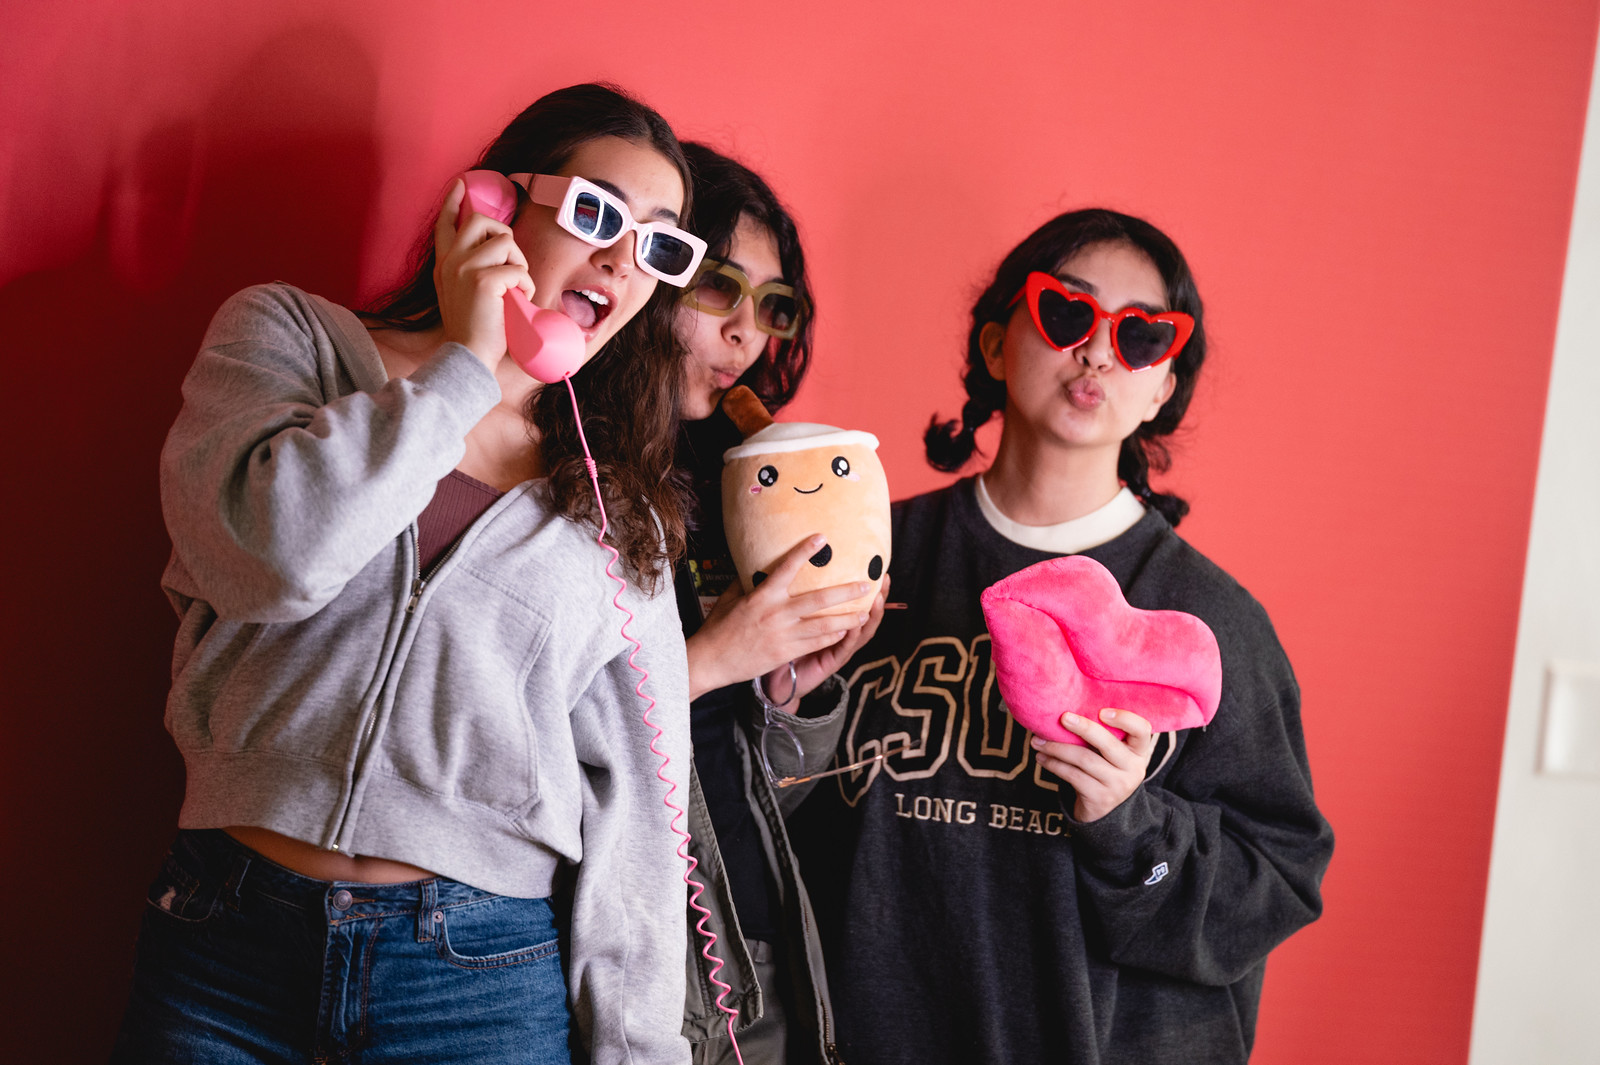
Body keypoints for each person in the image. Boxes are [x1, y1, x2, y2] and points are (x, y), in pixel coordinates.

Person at [113, 83, 706, 1065]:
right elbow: (278, 560)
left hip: (475, 979)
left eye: (657, 245)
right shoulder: (288, 341)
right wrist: (465, 366)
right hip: (226, 945)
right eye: (598, 213)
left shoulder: (617, 513)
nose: (620, 260)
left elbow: (643, 819)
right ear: (494, 204)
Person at [788, 209, 1335, 1065]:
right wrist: (791, 698)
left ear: (1163, 387)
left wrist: (1128, 821)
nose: (1099, 351)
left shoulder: (1204, 622)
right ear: (999, 342)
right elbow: (768, 814)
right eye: (1067, 313)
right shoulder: (870, 557)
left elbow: (1276, 880)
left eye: (1142, 335)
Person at [670, 142, 882, 1065]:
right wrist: (717, 653)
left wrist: (790, 691)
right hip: (623, 960)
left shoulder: (733, 489)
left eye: (772, 307)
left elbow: (759, 775)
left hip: (753, 952)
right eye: (720, 287)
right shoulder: (564, 479)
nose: (746, 336)